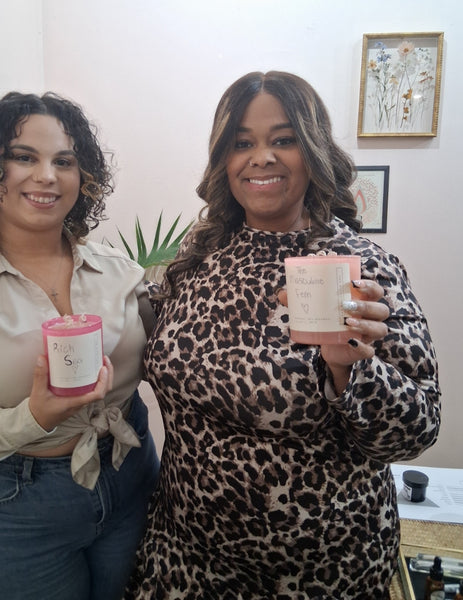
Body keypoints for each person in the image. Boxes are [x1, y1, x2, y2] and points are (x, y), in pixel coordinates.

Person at [124, 71, 441, 599]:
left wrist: (351, 369)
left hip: (319, 574)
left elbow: (417, 431)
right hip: (187, 559)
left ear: (312, 151)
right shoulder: (199, 256)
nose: (262, 157)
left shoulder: (364, 267)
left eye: (283, 139)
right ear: (224, 159)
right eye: (242, 143)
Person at [0, 92, 159, 600]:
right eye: (23, 157)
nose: (47, 176)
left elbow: (172, 355)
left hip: (127, 480)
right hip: (8, 511)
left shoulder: (119, 273)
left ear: (84, 177)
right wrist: (30, 419)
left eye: (64, 161)